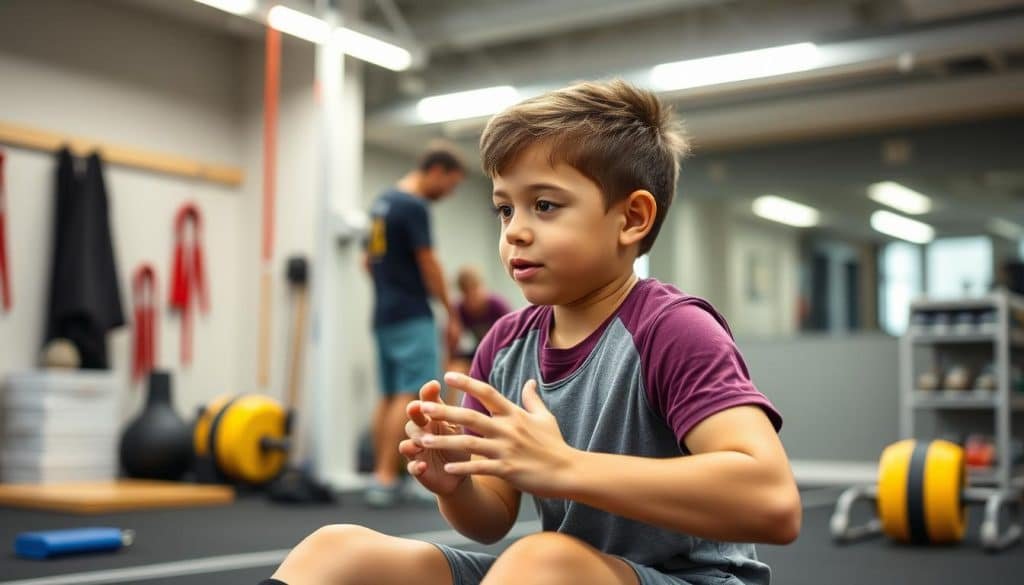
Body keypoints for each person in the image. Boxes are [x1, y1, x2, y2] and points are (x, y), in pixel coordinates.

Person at [262, 80, 800, 585]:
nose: (515, 229)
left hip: (688, 578)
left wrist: (565, 467)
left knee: (541, 560)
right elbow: (493, 517)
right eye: (504, 208)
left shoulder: (674, 329)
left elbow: (773, 503)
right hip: (565, 570)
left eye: (544, 205)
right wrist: (457, 484)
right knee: (335, 550)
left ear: (632, 219)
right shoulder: (504, 344)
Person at [362, 141, 466, 508]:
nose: (448, 193)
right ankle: (389, 477)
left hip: (384, 313)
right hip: (411, 314)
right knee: (413, 393)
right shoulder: (413, 205)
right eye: (450, 185)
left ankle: (381, 475)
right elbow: (428, 262)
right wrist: (452, 313)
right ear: (436, 171)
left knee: (390, 394)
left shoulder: (382, 203)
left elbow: (366, 262)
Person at [447, 265, 512, 377]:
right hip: (480, 351)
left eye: (475, 290)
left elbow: (514, 334)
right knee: (455, 368)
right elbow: (451, 346)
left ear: (482, 287)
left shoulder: (497, 305)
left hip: (502, 351)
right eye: (467, 293)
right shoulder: (459, 310)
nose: (473, 297)